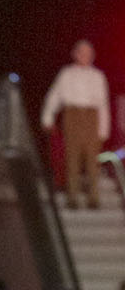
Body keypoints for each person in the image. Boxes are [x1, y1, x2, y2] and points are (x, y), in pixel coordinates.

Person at [41, 41, 111, 209]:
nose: (85, 56)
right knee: (72, 158)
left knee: (92, 160)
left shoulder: (98, 76)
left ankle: (93, 197)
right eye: (81, 52)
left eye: (88, 53)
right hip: (72, 116)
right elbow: (54, 96)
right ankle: (72, 197)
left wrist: (104, 129)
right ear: (75, 54)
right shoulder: (66, 74)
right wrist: (47, 118)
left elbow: (103, 105)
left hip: (91, 117)